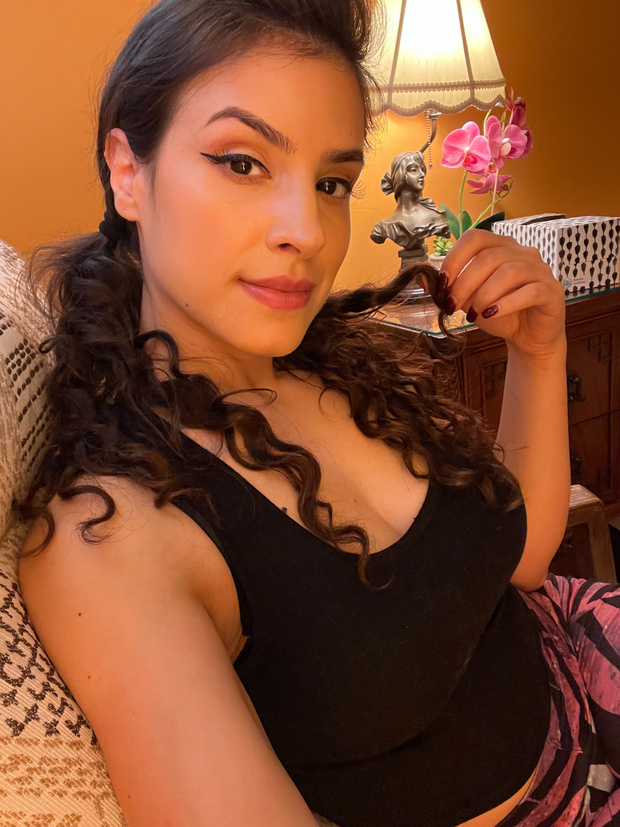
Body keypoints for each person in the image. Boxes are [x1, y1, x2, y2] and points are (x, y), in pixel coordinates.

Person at [15, 0, 620, 825]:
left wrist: (539, 353)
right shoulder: (112, 533)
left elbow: (523, 563)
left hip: (583, 662)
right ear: (128, 172)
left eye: (332, 182)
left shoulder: (333, 360)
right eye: (242, 162)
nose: (308, 231)